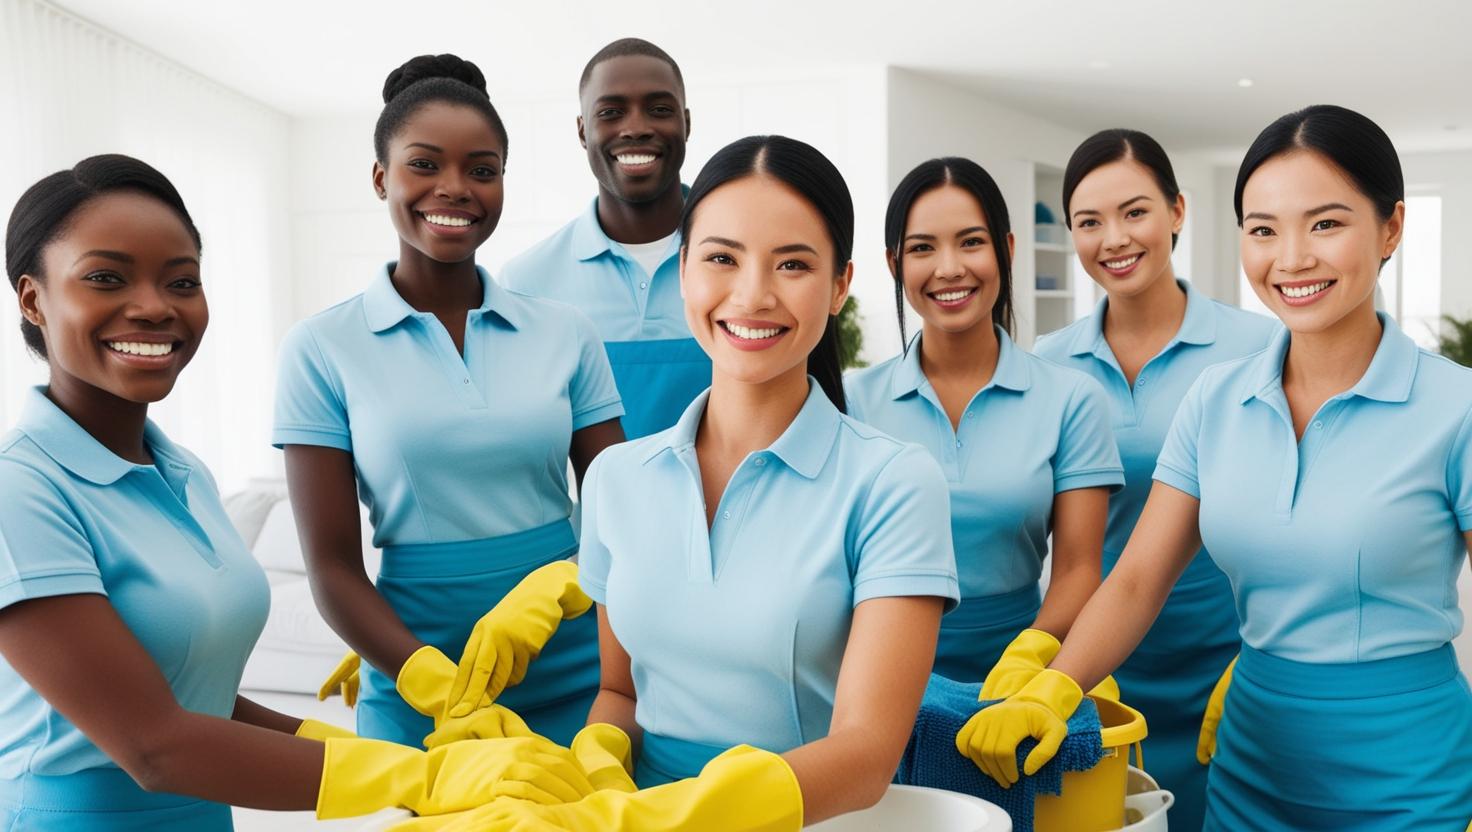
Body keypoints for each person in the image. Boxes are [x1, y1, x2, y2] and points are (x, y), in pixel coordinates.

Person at [0, 154, 594, 830]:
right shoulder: (20, 491)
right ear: (32, 299)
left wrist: (356, 750)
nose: (153, 307)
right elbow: (152, 744)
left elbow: (201, 696)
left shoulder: (184, 473)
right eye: (105, 278)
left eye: (181, 280)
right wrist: (421, 774)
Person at [417, 135, 961, 831]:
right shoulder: (617, 478)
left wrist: (659, 821)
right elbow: (620, 691)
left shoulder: (893, 484)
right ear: (683, 274)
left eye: (792, 263)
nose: (752, 294)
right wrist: (600, 756)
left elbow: (865, 755)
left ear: (840, 286)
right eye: (721, 258)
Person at [960, 105, 1472, 831]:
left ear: (1391, 226)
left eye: (1325, 223)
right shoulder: (1216, 399)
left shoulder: (1457, 408)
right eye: (1263, 229)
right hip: (1251, 762)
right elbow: (1137, 580)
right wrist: (1056, 687)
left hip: (1411, 774)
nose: (1291, 258)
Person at [274, 54, 624, 748]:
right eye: (424, 165)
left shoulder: (565, 332)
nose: (455, 188)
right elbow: (334, 566)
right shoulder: (322, 346)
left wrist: (561, 583)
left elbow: (624, 512)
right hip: (418, 680)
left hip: (580, 669)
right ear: (382, 178)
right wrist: (425, 679)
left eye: (482, 169)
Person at [1032, 128, 1278, 830]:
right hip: (1093, 663)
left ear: (1177, 210)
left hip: (1229, 665)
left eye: (1135, 211)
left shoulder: (1259, 348)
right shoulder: (1048, 365)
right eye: (1089, 222)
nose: (1114, 238)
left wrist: (1267, 653)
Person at [845, 157, 1122, 693]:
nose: (949, 268)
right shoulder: (853, 400)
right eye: (923, 248)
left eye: (971, 242)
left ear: (1007, 250)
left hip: (1024, 667)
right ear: (894, 262)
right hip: (876, 673)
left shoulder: (1071, 400)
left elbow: (1078, 571)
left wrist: (1027, 665)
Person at [499, 38, 709, 439]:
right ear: (583, 130)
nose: (636, 128)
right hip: (593, 506)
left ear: (686, 123)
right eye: (611, 112)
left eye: (659, 109)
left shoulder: (737, 265)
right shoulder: (525, 286)